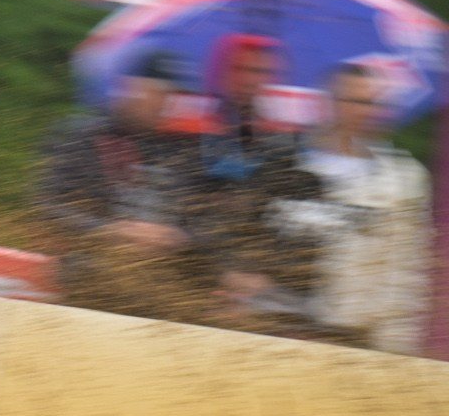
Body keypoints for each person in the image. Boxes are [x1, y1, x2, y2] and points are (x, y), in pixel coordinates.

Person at [35, 52, 216, 323]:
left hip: (167, 280)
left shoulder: (182, 150)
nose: (165, 104)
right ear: (133, 89)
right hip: (94, 271)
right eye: (159, 94)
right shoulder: (85, 138)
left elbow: (208, 223)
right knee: (100, 280)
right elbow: (44, 206)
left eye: (172, 96)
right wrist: (109, 231)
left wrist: (177, 236)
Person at [267, 64, 432, 354]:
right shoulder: (284, 167)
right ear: (326, 103)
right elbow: (261, 242)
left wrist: (395, 347)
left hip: (360, 338)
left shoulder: (405, 179)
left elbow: (408, 271)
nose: (365, 111)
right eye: (354, 101)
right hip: (282, 330)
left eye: (372, 102)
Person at [170, 33, 324, 329]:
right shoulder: (190, 134)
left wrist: (263, 274)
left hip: (261, 284)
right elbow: (181, 211)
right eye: (242, 70)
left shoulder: (282, 144)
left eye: (261, 72)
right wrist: (221, 271)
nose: (251, 80)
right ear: (223, 72)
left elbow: (288, 219)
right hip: (195, 274)